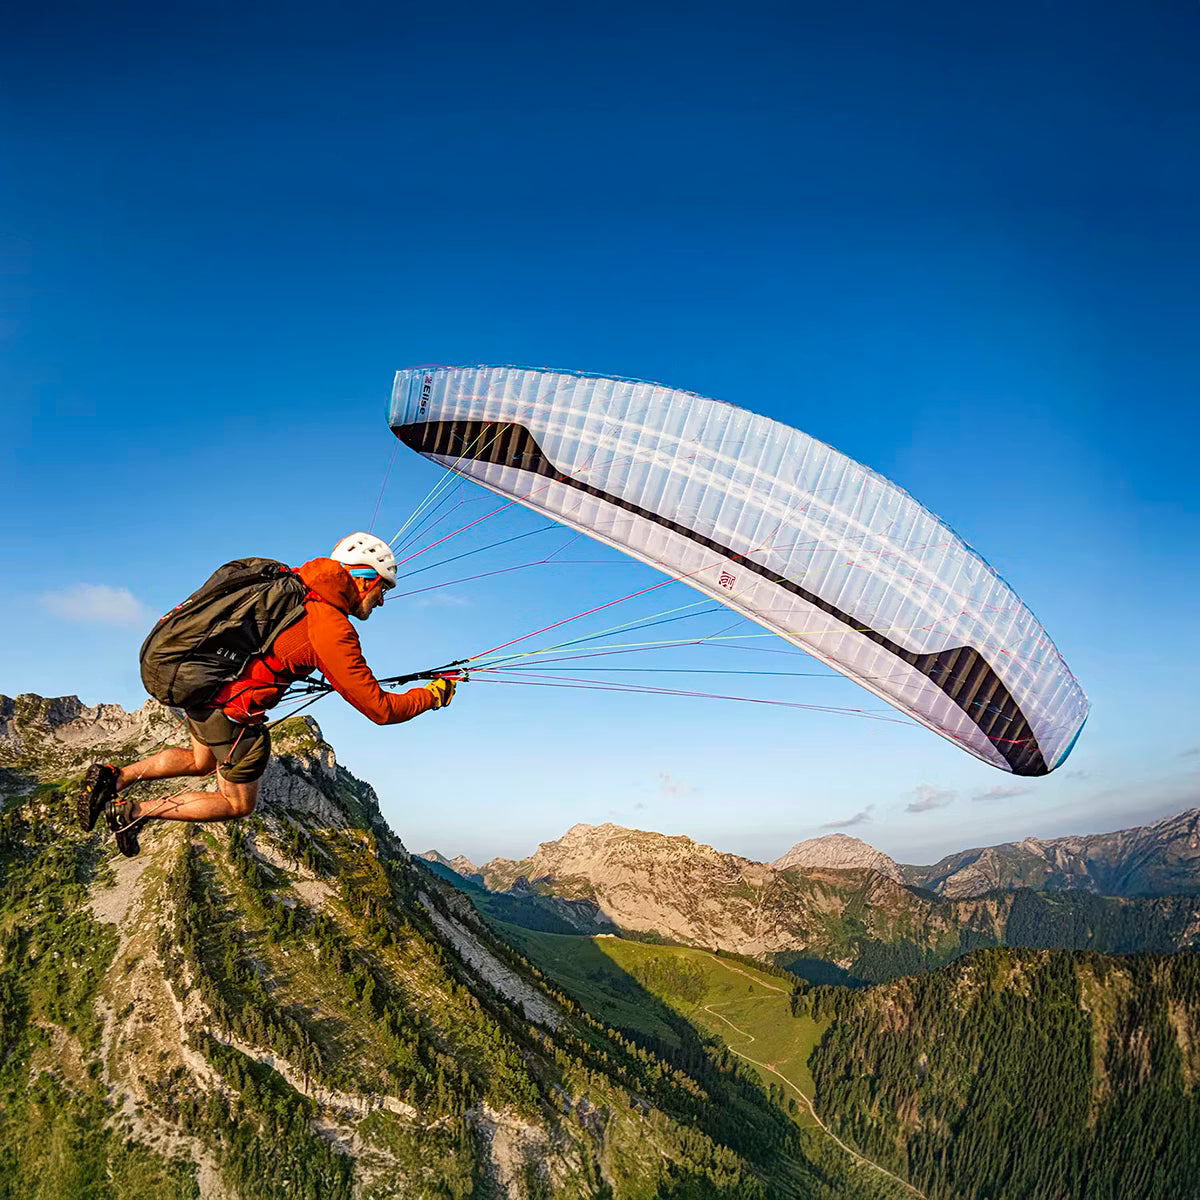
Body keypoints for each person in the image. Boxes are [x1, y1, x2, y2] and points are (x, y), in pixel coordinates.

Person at [76, 533, 457, 856]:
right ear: (364, 579)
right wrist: (434, 694)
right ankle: (133, 813)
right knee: (237, 803)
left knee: (201, 761)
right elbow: (381, 709)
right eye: (383, 589)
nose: (383, 601)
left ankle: (115, 776)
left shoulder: (290, 583)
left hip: (201, 684)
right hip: (229, 709)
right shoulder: (330, 626)